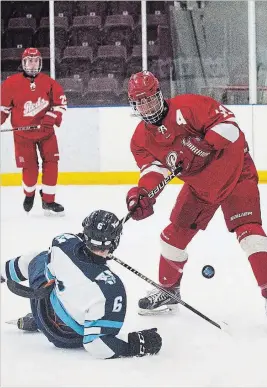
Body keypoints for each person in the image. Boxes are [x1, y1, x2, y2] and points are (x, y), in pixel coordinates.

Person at [125, 71, 267, 329]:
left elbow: (231, 128)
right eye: (140, 102)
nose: (146, 107)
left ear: (159, 95)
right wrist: (143, 194)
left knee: (250, 233)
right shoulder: (140, 139)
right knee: (172, 237)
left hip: (235, 173)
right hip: (200, 187)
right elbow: (154, 171)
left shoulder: (189, 106)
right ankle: (169, 291)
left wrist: (204, 143)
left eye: (149, 99)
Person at [1, 210, 162, 359]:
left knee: (36, 258)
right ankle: (41, 323)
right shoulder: (112, 289)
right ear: (115, 242)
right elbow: (96, 345)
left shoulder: (62, 243)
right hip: (64, 337)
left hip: (42, 309)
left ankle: (2, 274)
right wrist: (134, 346)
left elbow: (58, 268)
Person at [1, 47, 66, 215]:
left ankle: (48, 200)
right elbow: (3, 109)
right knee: (30, 169)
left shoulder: (49, 82)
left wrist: (50, 118)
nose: (32, 64)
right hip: (23, 135)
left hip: (46, 133)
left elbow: (60, 104)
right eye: (29, 61)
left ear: (40, 62)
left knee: (52, 163)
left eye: (36, 60)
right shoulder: (10, 83)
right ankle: (29, 194)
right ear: (23, 63)